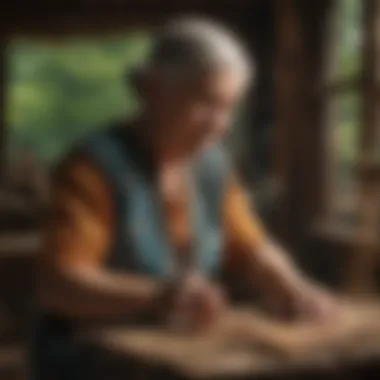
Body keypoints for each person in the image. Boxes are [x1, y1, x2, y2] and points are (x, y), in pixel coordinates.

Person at [33, 17, 338, 380]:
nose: (219, 124)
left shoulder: (213, 167)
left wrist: (291, 285)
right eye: (206, 103)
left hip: (170, 357)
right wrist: (161, 295)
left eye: (229, 107)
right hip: (88, 361)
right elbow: (59, 285)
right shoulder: (92, 168)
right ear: (151, 90)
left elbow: (250, 246)